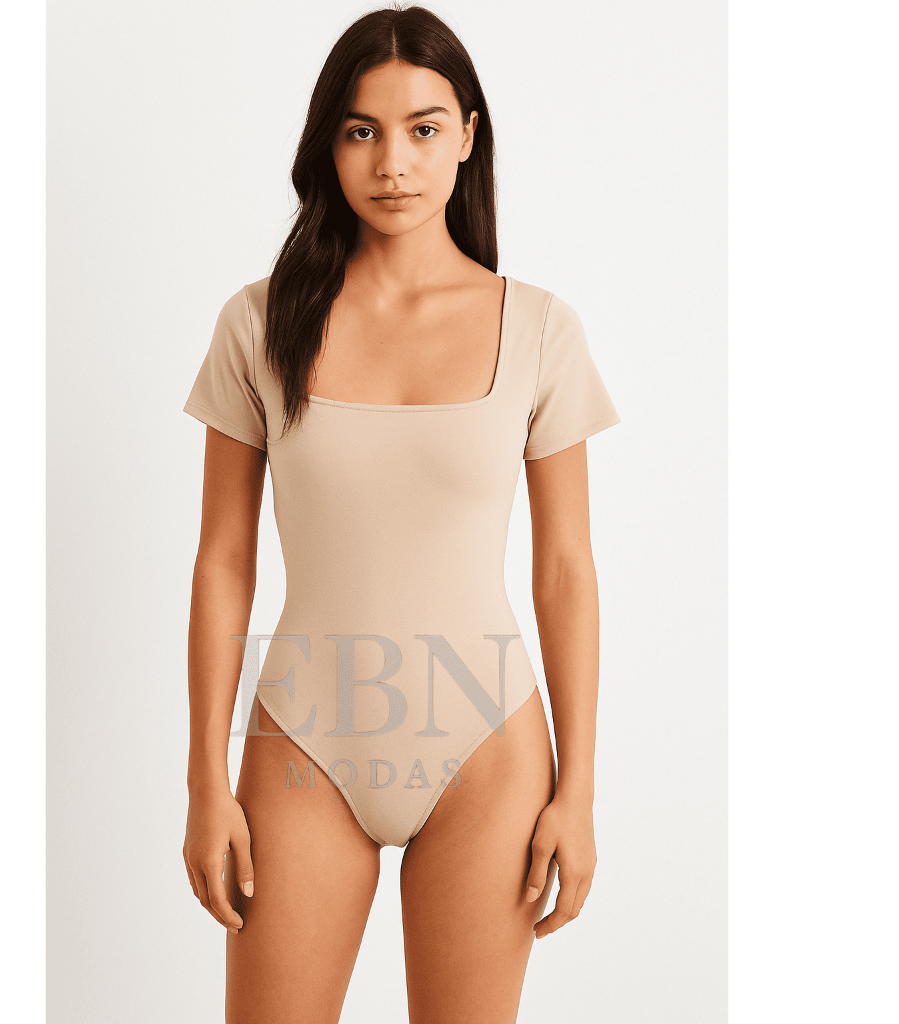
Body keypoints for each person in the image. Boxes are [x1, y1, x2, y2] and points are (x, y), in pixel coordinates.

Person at [181, 6, 621, 1022]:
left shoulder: (538, 330)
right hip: (303, 742)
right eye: (361, 130)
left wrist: (580, 791)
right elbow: (221, 561)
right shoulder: (259, 322)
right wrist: (205, 780)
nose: (392, 163)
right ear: (327, 144)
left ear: (467, 135)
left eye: (423, 128)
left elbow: (566, 568)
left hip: (489, 750)